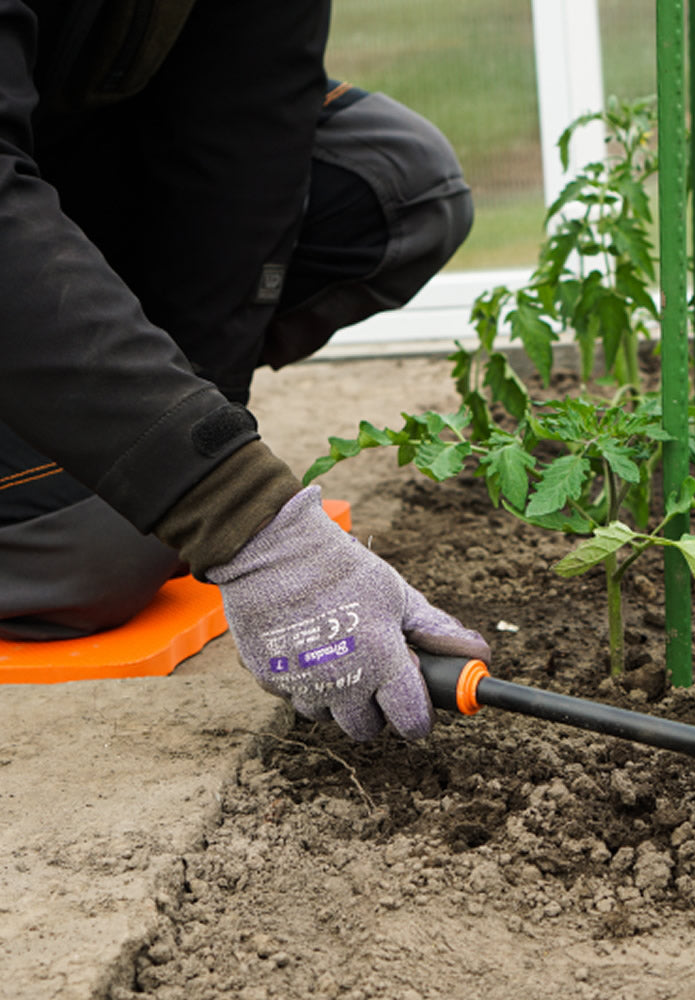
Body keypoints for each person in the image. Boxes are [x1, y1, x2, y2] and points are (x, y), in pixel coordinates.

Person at [0, 0, 490, 740]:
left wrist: (208, 437)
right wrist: (239, 516)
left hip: (52, 177)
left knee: (397, 187)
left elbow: (247, 135)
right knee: (96, 558)